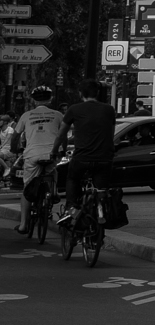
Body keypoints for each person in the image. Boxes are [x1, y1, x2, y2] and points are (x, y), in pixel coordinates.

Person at [51, 80, 117, 223]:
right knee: (101, 188)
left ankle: (71, 209)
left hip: (82, 157)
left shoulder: (74, 109)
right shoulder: (109, 109)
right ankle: (101, 208)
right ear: (97, 93)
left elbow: (61, 134)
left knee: (72, 179)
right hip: (104, 158)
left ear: (80, 93)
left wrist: (54, 151)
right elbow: (110, 134)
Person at [13, 87, 64, 233]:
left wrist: (14, 149)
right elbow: (63, 135)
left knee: (27, 188)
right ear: (50, 99)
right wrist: (62, 150)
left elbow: (16, 135)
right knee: (53, 172)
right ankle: (53, 193)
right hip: (51, 154)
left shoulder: (26, 115)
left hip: (32, 155)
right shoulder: (58, 115)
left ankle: (23, 225)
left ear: (34, 100)